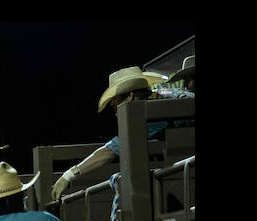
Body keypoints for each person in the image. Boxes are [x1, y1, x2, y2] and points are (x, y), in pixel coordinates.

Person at [51, 66, 195, 201]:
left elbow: (112, 150)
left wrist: (70, 174)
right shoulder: (160, 98)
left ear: (130, 96)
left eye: (115, 100)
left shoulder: (154, 109)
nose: (112, 105)